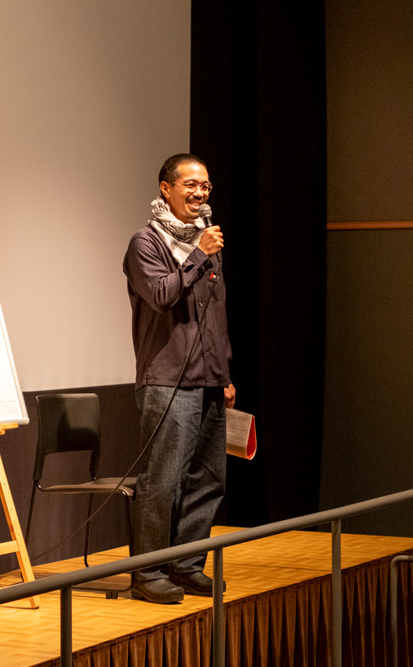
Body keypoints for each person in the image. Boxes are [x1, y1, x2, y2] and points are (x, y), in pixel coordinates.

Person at [122, 153, 236, 604]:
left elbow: (216, 314)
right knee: (162, 480)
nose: (200, 193)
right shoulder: (144, 243)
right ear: (166, 188)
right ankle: (146, 573)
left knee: (209, 478)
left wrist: (224, 373)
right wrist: (196, 255)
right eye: (190, 184)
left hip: (208, 379)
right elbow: (163, 296)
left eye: (205, 186)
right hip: (167, 381)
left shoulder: (208, 244)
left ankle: (186, 565)